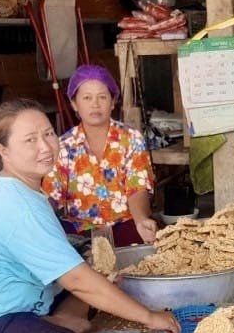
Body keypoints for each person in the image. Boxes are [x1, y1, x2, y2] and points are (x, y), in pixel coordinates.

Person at [0, 99, 179, 333]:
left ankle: (58, 319)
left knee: (102, 283)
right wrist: (149, 317)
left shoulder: (26, 189)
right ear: (3, 150)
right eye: (30, 140)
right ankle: (57, 324)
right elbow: (76, 280)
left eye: (48, 134)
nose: (45, 147)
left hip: (27, 304)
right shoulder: (16, 206)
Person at [45, 64, 157, 247]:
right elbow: (51, 195)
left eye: (102, 97)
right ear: (74, 104)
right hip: (80, 230)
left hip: (125, 224)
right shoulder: (63, 146)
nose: (95, 104)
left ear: (113, 102)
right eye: (87, 98)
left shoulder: (131, 138)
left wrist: (141, 220)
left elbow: (137, 188)